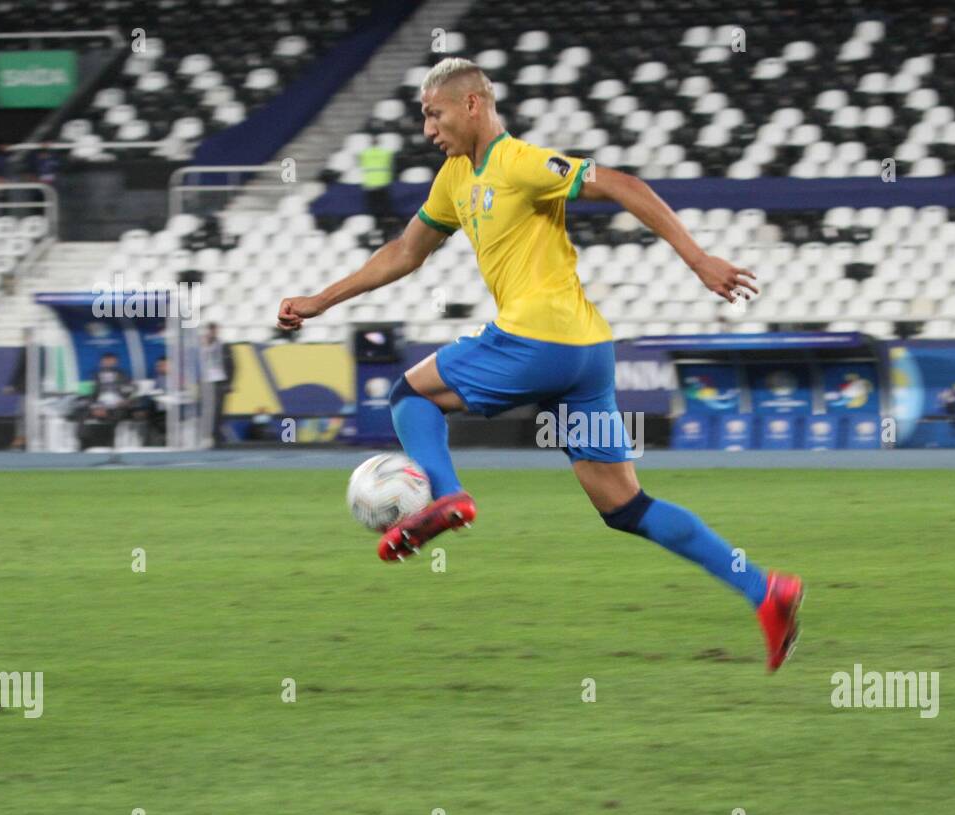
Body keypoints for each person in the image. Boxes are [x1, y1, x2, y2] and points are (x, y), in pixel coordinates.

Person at [277, 57, 803, 670]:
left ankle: (447, 497)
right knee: (625, 507)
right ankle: (764, 590)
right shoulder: (453, 179)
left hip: (536, 341)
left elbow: (624, 185)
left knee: (408, 395)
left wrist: (698, 258)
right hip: (587, 358)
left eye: (434, 113)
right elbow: (404, 252)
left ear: (472, 105)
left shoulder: (522, 163)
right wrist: (320, 300)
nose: (427, 129)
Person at [200, 324, 235, 447]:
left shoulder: (224, 346)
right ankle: (205, 436)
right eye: (211, 331)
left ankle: (216, 437)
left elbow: (232, 365)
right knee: (205, 409)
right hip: (205, 381)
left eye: (215, 331)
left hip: (219, 381)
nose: (212, 333)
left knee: (218, 411)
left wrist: (229, 382)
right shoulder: (201, 346)